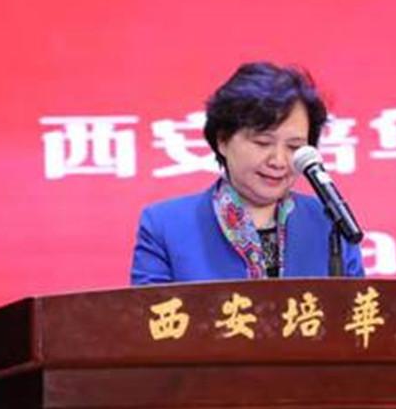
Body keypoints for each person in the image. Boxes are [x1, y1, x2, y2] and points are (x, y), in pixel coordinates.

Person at [130, 62, 365, 284]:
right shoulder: (165, 226)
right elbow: (148, 312)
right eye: (262, 143)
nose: (278, 161)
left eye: (294, 147)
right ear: (223, 140)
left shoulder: (331, 222)